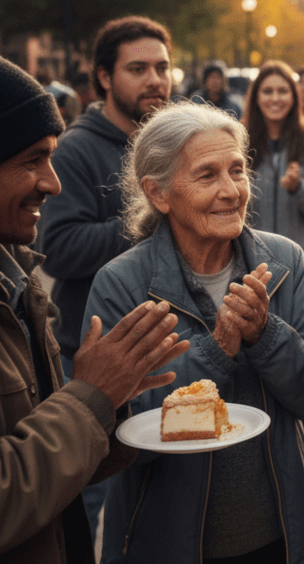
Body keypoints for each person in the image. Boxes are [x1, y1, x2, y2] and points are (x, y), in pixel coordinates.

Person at [86, 102, 304, 563]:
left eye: (237, 171)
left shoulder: (283, 263)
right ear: (158, 194)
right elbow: (115, 438)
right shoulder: (123, 285)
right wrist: (216, 351)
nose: (231, 191)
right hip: (167, 545)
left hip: (278, 534)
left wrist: (265, 333)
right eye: (206, 175)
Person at [0, 56, 188, 564]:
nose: (52, 183)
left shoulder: (17, 278)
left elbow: (42, 441)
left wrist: (112, 397)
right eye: (32, 160)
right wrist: (92, 396)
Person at [36, 15, 173, 537]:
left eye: (161, 67)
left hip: (159, 357)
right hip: (91, 360)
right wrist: (150, 218)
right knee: (87, 501)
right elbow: (60, 248)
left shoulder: (167, 143)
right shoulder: (76, 148)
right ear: (103, 78)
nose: (154, 80)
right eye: (137, 69)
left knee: (153, 505)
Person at [242, 60, 304, 485]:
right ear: (257, 98)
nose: (276, 98)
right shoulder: (242, 142)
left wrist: (300, 188)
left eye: (283, 91)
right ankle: (261, 445)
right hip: (251, 269)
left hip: (298, 269)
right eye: (268, 91)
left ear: (294, 97)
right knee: (258, 354)